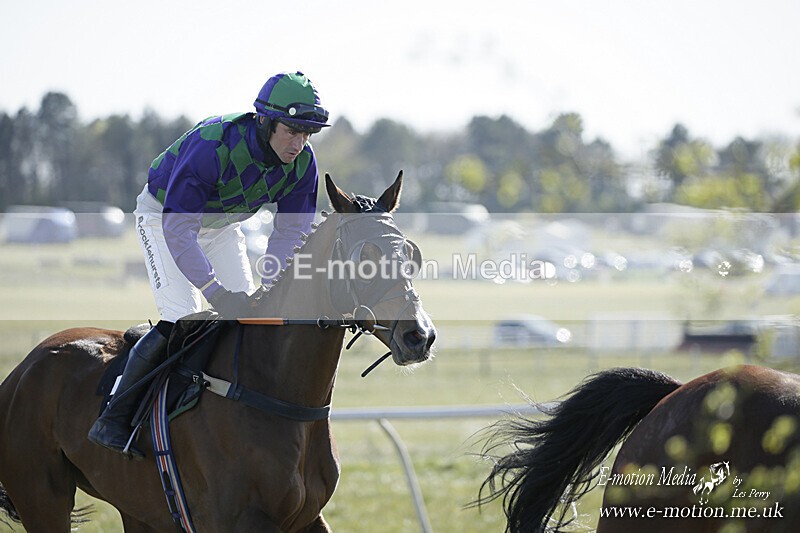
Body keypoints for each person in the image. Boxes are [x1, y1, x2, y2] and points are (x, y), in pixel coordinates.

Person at [88, 71, 330, 459]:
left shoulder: (303, 165)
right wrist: (215, 291)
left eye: (307, 133)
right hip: (164, 217)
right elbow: (180, 229)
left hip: (221, 227)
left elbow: (290, 234)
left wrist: (270, 283)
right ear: (265, 121)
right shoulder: (211, 146)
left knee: (250, 317)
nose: (299, 143)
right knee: (185, 318)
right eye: (292, 130)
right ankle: (115, 415)